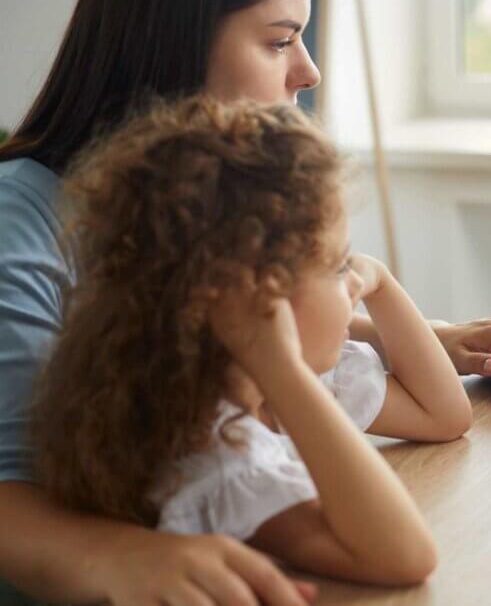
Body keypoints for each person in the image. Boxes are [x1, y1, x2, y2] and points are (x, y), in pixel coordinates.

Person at [0, 0, 491, 603]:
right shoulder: (18, 222)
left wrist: (414, 332)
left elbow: (220, 323)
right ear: (174, 40)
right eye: (280, 40)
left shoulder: (212, 228)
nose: (308, 71)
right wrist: (118, 554)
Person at [35, 95, 463, 586]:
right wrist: (282, 368)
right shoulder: (215, 457)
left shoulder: (302, 382)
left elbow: (445, 415)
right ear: (253, 302)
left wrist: (382, 282)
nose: (354, 283)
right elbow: (407, 557)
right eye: (337, 265)